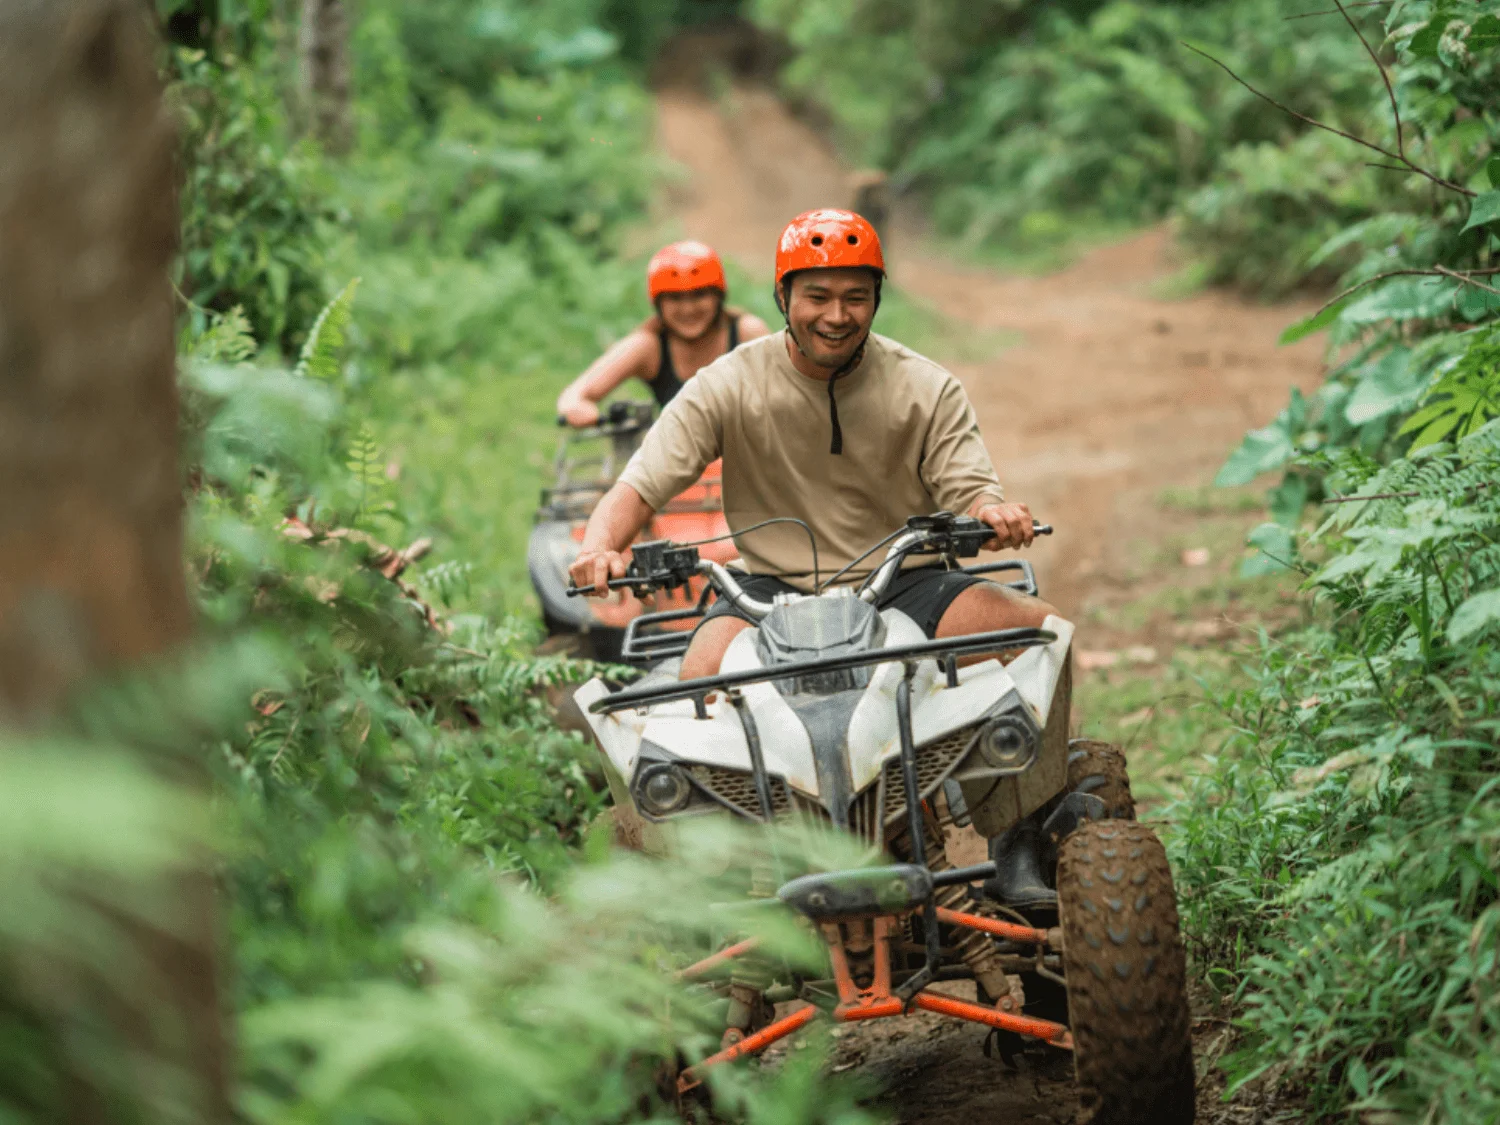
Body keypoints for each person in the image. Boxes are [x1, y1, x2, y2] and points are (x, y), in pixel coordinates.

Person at [569, 209, 1060, 907]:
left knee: (1038, 638)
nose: (837, 315)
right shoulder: (727, 382)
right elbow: (640, 483)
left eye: (855, 296)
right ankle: (726, 887)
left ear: (877, 298)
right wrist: (599, 545)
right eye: (818, 296)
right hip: (766, 591)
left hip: (905, 579)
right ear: (783, 297)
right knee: (697, 691)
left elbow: (971, 487)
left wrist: (992, 513)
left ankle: (1020, 845)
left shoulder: (926, 385)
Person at [556, 241, 771, 427]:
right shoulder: (649, 345)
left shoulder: (747, 333)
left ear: (718, 297)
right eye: (675, 298)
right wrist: (579, 409)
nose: (688, 309)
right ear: (658, 303)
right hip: (679, 459)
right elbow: (574, 395)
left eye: (699, 295)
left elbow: (784, 390)